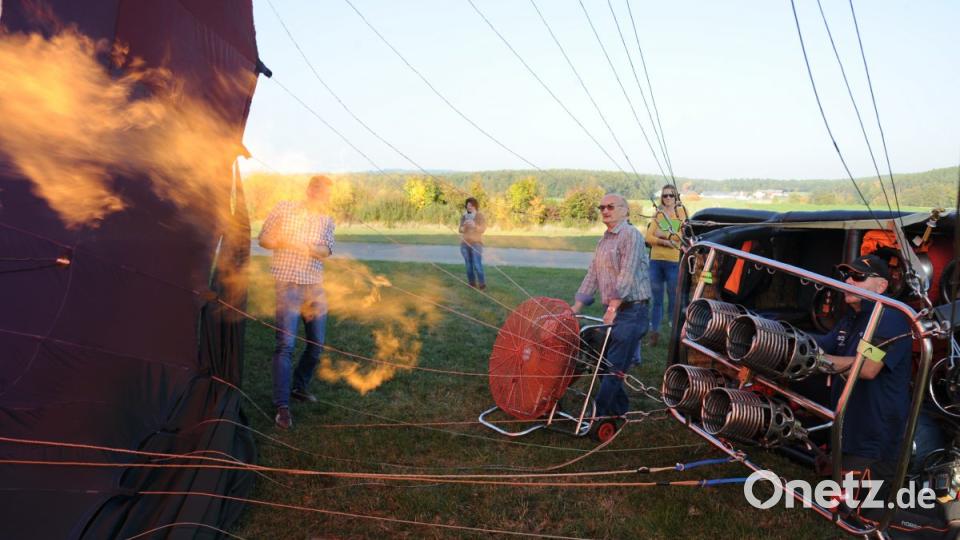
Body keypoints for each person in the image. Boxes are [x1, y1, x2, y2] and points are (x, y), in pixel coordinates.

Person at [815, 254, 913, 480]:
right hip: (849, 433)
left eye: (859, 276)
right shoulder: (852, 318)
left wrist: (816, 359)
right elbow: (817, 347)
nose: (848, 281)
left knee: (855, 502)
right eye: (847, 275)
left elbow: (868, 368)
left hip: (873, 444)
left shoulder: (889, 318)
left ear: (881, 286)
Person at [258, 175, 336, 429]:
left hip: (314, 287)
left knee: (316, 345)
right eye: (320, 191)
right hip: (288, 285)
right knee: (286, 345)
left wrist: (306, 247)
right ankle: (282, 406)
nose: (323, 197)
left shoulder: (326, 219)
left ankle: (298, 387)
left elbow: (326, 251)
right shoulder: (284, 208)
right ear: (310, 190)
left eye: (327, 194)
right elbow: (264, 239)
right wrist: (286, 241)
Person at [571, 193, 651, 422]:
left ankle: (597, 415)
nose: (605, 210)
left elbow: (627, 274)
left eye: (610, 206)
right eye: (602, 207)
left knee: (614, 367)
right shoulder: (604, 240)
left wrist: (612, 308)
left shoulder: (631, 235)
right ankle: (619, 409)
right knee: (602, 362)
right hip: (616, 311)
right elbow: (592, 274)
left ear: (625, 210)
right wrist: (576, 306)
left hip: (632, 311)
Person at [644, 184, 687, 348]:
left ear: (676, 197)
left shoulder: (681, 213)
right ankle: (654, 334)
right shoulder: (658, 214)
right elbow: (648, 237)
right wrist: (665, 241)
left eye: (671, 195)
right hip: (655, 261)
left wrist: (661, 234)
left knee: (674, 299)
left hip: (672, 263)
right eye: (665, 195)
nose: (668, 198)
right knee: (657, 300)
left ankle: (675, 336)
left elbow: (680, 236)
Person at [458, 197, 487, 289]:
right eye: (468, 205)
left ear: (475, 206)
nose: (469, 207)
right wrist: (464, 227)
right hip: (465, 244)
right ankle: (472, 284)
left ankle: (482, 284)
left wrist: (474, 226)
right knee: (468, 265)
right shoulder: (464, 216)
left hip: (476, 243)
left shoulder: (480, 216)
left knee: (477, 264)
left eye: (471, 205)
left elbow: (483, 229)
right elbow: (460, 229)